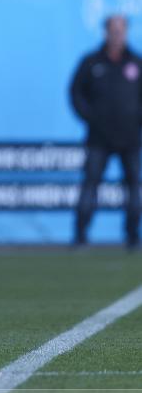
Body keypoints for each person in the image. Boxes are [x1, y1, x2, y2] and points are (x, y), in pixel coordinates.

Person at [70, 14, 142, 249]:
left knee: (134, 186)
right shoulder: (91, 62)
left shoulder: (136, 62)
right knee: (90, 185)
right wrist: (90, 118)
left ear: (126, 32)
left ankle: (132, 236)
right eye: (113, 30)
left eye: (121, 30)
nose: (117, 35)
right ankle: (80, 236)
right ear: (105, 32)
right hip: (98, 138)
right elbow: (75, 93)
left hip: (131, 138)